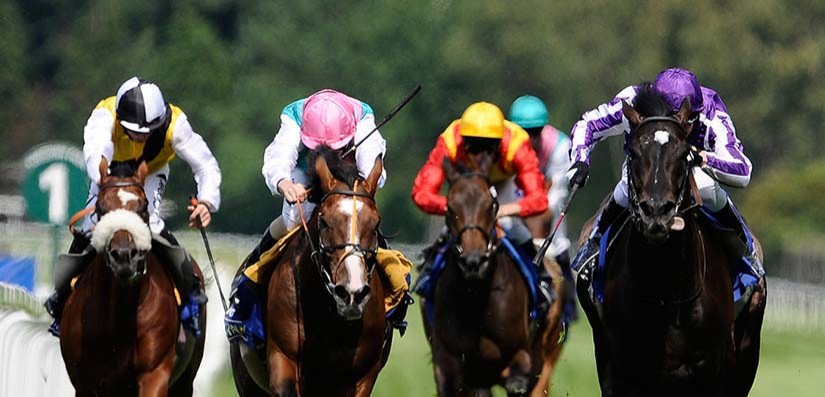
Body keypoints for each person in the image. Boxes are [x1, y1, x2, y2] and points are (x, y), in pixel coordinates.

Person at [45, 76, 221, 335]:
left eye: (147, 132)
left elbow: (205, 165)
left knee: (149, 224)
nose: (140, 137)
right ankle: (62, 299)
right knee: (91, 227)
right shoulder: (105, 114)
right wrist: (110, 187)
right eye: (133, 130)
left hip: (149, 172)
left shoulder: (176, 125)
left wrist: (206, 201)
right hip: (109, 173)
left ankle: (190, 295)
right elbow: (96, 151)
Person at [567, 67, 763, 280]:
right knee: (625, 188)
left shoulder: (710, 114)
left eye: (687, 122)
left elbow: (742, 169)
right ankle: (593, 245)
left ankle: (746, 248)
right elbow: (588, 124)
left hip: (691, 169)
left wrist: (703, 157)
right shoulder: (634, 101)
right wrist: (580, 160)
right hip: (645, 165)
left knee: (707, 189)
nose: (682, 129)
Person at [225, 89, 389, 340]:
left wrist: (357, 190)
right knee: (292, 220)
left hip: (350, 177)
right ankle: (246, 289)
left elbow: (375, 171)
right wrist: (285, 184)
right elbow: (278, 156)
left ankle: (394, 295)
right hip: (305, 171)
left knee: (360, 220)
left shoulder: (362, 117)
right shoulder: (294, 117)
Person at [411, 101, 551, 305]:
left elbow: (539, 199)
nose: (479, 155)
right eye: (473, 147)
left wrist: (504, 210)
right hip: (466, 189)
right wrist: (461, 210)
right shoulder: (449, 141)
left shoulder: (517, 144)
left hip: (503, 186)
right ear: (463, 141)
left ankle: (542, 282)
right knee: (450, 233)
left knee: (516, 230)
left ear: (499, 144)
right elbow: (421, 193)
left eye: (487, 148)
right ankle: (428, 277)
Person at [505, 95, 577, 321]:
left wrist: (525, 209)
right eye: (524, 132)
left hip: (545, 202)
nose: (530, 138)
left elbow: (556, 196)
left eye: (536, 131)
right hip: (515, 197)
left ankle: (567, 308)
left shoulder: (561, 147)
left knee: (560, 246)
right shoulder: (504, 145)